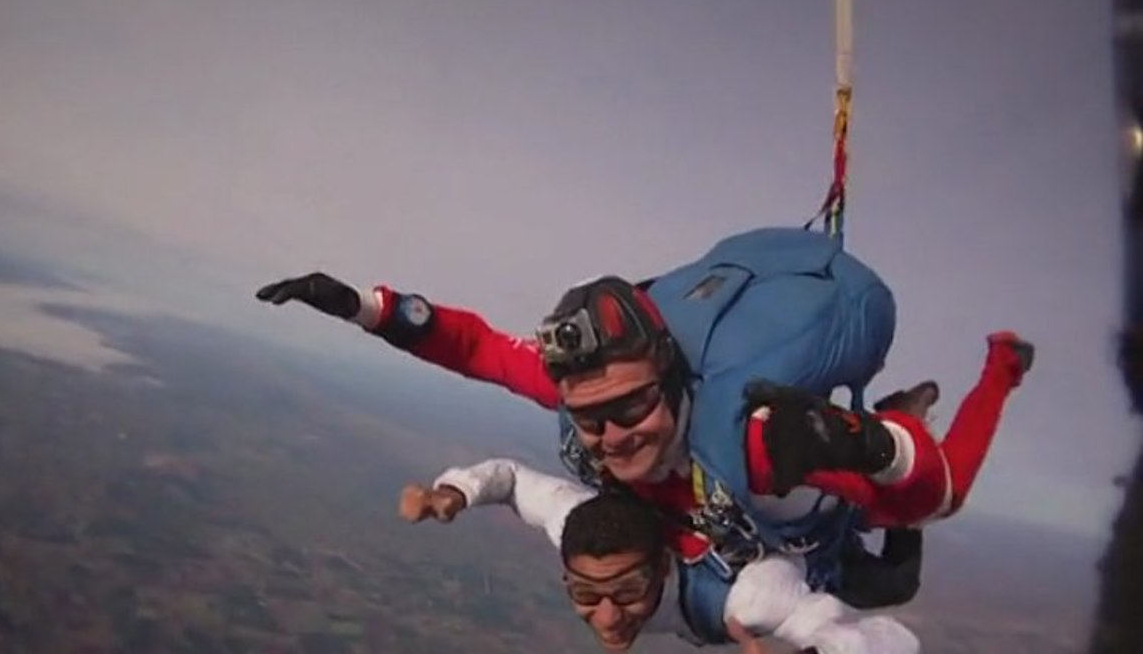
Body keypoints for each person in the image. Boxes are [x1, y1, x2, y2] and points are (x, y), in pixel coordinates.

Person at [257, 228, 1031, 594]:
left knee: (894, 568)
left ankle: (997, 368)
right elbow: (474, 345)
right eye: (591, 416)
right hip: (760, 507)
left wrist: (869, 442)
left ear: (670, 380)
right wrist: (359, 305)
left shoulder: (755, 446)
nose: (612, 436)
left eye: (632, 407)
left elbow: (933, 491)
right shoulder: (587, 400)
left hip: (817, 504)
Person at [396, 456, 920, 653]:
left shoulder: (751, 601)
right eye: (584, 593)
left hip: (809, 549)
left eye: (627, 592)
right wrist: (456, 492)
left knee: (897, 582)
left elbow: (885, 641)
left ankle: (908, 484)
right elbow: (509, 479)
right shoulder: (577, 526)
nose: (606, 616)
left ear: (664, 567)